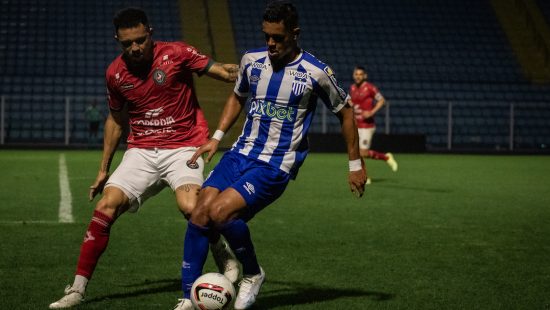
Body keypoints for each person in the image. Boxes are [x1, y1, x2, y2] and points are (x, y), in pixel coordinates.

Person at [174, 2, 367, 309]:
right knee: (200, 213)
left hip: (276, 163)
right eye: (266, 36)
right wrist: (216, 138)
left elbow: (345, 113)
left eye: (278, 37)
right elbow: (237, 97)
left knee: (222, 214)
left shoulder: (316, 72)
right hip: (240, 153)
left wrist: (355, 164)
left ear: (295, 33)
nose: (271, 44)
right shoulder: (252, 60)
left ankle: (252, 273)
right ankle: (187, 297)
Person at [49, 7, 240, 309]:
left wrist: (258, 71)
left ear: (150, 32)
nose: (135, 48)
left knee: (192, 207)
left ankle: (221, 252)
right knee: (105, 207)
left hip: (184, 147)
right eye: (127, 44)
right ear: (117, 40)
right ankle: (77, 289)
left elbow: (224, 71)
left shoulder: (177, 53)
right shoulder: (115, 73)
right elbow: (115, 120)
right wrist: (103, 169)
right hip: (141, 150)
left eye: (140, 40)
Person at [348, 66, 397, 184]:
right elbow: (353, 103)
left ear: (365, 76)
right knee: (357, 152)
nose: (358, 76)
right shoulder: (352, 88)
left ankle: (386, 157)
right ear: (353, 75)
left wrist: (371, 112)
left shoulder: (370, 88)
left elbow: (381, 100)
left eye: (360, 74)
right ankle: (365, 177)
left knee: (363, 152)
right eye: (356, 74)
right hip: (357, 124)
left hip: (367, 126)